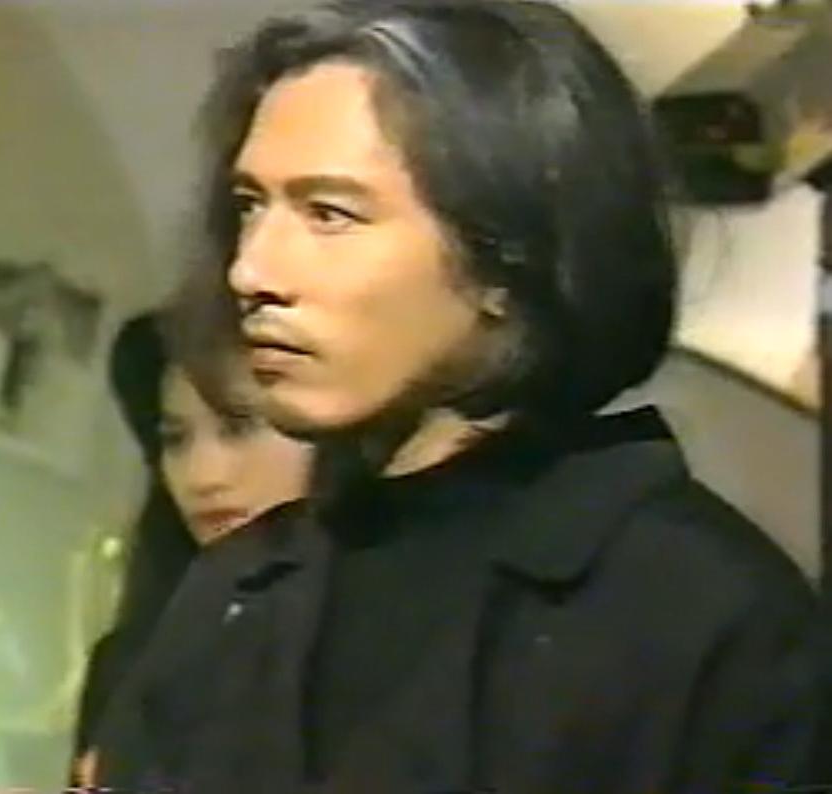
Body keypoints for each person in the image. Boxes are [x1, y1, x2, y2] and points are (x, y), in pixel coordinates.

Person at [90, 2, 822, 792]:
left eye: (329, 214)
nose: (251, 271)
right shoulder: (229, 597)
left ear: (508, 258)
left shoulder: (709, 616)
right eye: (248, 207)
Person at [69, 311, 313, 787]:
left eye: (239, 426)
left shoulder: (390, 644)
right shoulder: (128, 664)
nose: (202, 476)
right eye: (175, 439)